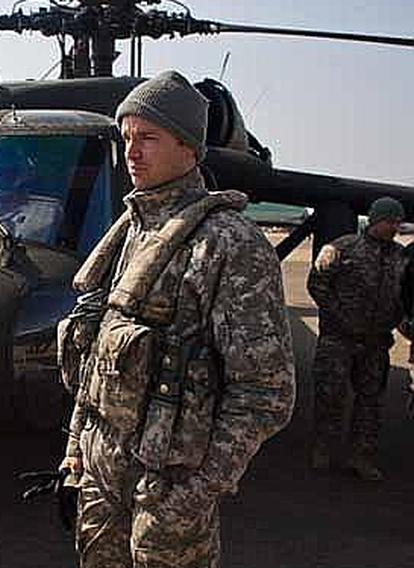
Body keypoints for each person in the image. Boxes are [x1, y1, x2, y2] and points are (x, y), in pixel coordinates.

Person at [57, 70, 295, 567]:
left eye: (148, 137)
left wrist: (195, 493)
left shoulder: (228, 244)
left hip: (168, 497)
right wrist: (75, 452)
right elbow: (97, 357)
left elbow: (266, 394)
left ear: (189, 148)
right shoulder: (128, 234)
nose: (132, 152)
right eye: (126, 138)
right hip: (100, 486)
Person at [307, 196, 407, 481]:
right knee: (330, 396)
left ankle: (362, 456)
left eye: (399, 222)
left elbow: (405, 295)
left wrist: (395, 320)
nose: (396, 227)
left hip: (376, 343)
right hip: (339, 341)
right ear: (376, 220)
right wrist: (339, 316)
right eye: (391, 221)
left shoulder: (400, 257)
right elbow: (317, 283)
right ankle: (323, 447)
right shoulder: (342, 248)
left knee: (371, 402)